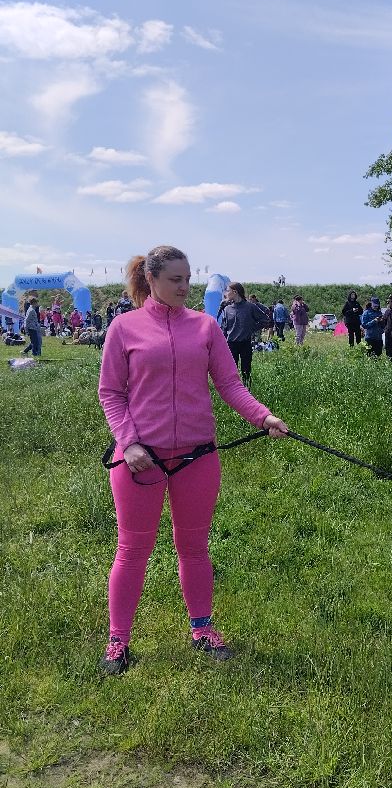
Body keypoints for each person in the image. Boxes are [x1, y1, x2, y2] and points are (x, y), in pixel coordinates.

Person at [97, 245, 288, 676]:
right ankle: (118, 641)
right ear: (152, 280)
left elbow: (229, 384)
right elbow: (111, 392)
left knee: (194, 548)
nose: (185, 287)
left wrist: (264, 416)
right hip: (140, 462)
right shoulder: (123, 329)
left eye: (188, 279)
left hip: (197, 457)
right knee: (132, 550)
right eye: (175, 280)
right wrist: (128, 443)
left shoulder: (204, 327)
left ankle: (202, 629)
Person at [218, 281, 270, 385]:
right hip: (230, 344)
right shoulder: (227, 309)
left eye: (227, 290)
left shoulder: (250, 307)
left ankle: (247, 392)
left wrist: (251, 328)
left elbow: (265, 320)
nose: (225, 293)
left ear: (235, 292)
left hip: (245, 343)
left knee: (246, 370)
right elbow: (224, 327)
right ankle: (233, 393)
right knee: (231, 372)